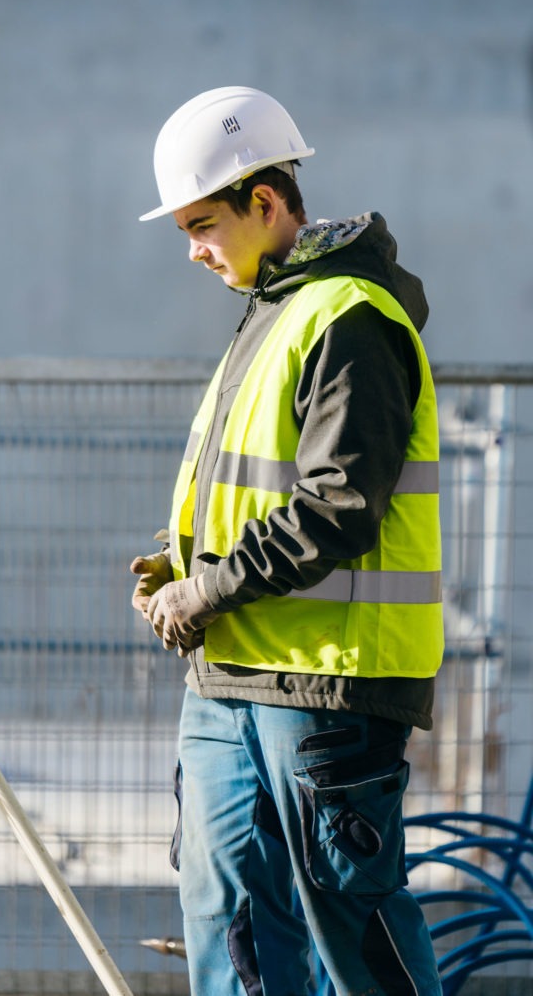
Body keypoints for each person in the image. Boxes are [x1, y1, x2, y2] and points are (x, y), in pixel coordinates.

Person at [129, 86, 444, 996]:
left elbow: (339, 504)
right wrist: (177, 566)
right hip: (231, 676)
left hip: (326, 684)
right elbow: (247, 487)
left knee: (350, 921)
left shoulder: (350, 315)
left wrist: (207, 589)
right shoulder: (271, 309)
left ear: (265, 203)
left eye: (202, 223)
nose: (192, 249)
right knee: (230, 920)